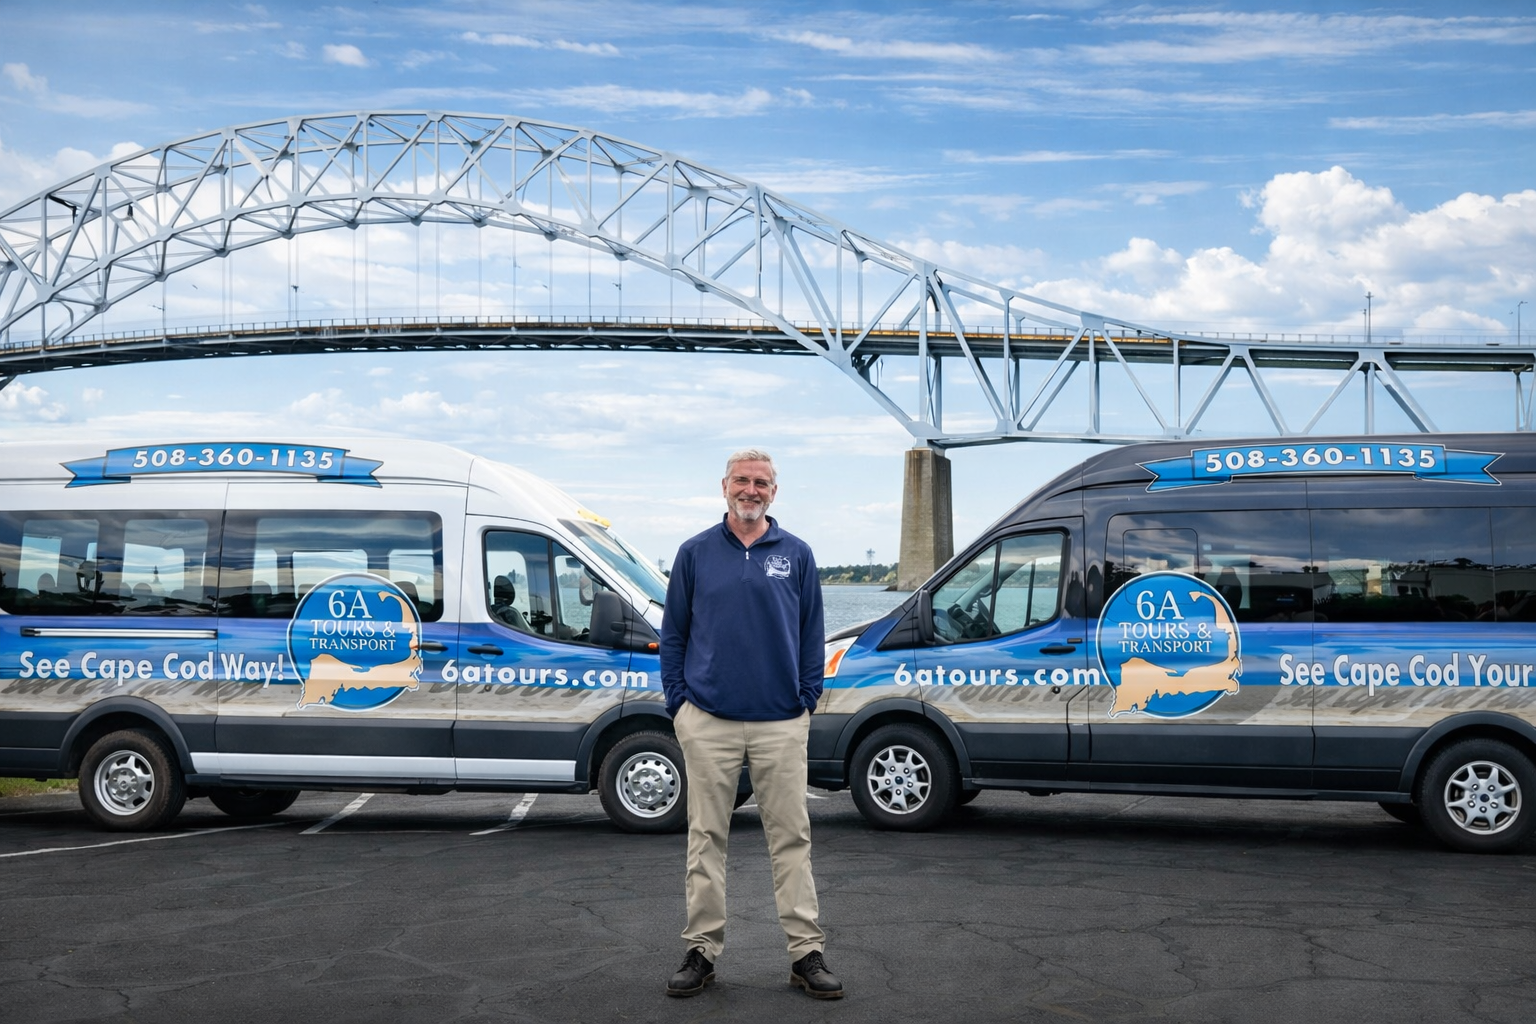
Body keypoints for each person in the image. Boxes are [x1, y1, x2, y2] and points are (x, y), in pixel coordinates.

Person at [659, 448, 843, 1000]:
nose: (751, 490)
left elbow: (814, 635)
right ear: (724, 487)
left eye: (761, 482)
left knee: (791, 839)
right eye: (742, 480)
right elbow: (673, 636)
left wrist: (807, 698)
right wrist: (680, 706)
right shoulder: (694, 554)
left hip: (781, 723)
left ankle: (805, 953)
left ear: (773, 493)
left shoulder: (798, 554)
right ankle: (702, 952)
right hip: (708, 721)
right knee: (705, 839)